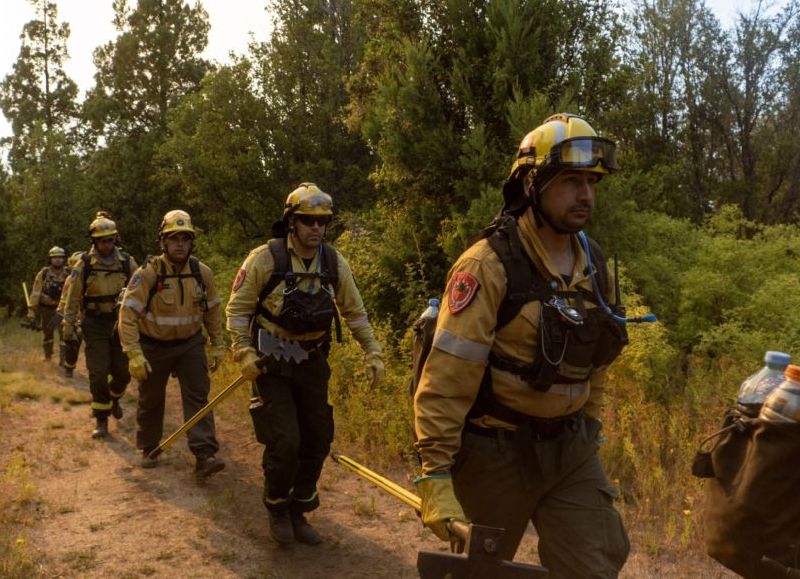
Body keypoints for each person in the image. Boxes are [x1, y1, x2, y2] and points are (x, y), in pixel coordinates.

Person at [413, 113, 630, 578]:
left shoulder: (592, 263)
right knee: (479, 572)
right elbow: (446, 380)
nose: (586, 195)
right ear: (532, 182)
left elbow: (598, 357)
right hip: (496, 452)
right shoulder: (487, 267)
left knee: (596, 563)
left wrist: (590, 424)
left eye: (592, 182)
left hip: (571, 451)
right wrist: (434, 472)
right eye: (572, 180)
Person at [226, 182, 385, 546]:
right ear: (291, 222)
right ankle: (277, 508)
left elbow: (355, 313)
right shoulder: (265, 259)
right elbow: (237, 310)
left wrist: (373, 352)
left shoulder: (333, 262)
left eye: (322, 221)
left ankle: (299, 509)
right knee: (286, 441)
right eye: (308, 221)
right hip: (271, 362)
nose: (316, 228)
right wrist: (244, 351)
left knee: (318, 437)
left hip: (313, 360)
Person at [118, 210, 226, 479]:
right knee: (151, 398)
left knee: (198, 397)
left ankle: (204, 455)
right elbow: (128, 313)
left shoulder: (202, 273)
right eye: (173, 238)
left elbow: (213, 311)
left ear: (192, 242)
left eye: (185, 238)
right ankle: (149, 447)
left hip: (190, 344)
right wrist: (133, 353)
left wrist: (217, 344)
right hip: (153, 345)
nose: (180, 243)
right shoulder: (148, 273)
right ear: (163, 242)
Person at [62, 212, 137, 439]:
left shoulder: (127, 262)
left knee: (123, 373)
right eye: (103, 240)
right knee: (98, 373)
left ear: (115, 239)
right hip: (94, 323)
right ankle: (101, 419)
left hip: (120, 323)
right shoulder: (83, 264)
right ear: (94, 241)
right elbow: (73, 296)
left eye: (110, 239)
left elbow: (140, 292)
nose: (107, 244)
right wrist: (68, 325)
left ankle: (114, 397)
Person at [29, 246, 68, 363]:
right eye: (54, 257)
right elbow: (35, 293)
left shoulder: (69, 274)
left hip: (63, 311)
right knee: (48, 334)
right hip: (47, 310)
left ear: (63, 259)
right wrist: (31, 311)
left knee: (65, 335)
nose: (57, 260)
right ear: (50, 259)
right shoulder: (43, 274)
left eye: (60, 257)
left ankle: (64, 359)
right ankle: (48, 357)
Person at [57, 251, 85, 377]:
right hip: (74, 317)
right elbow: (65, 298)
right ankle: (69, 368)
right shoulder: (70, 280)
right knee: (73, 343)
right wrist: (63, 315)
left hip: (92, 316)